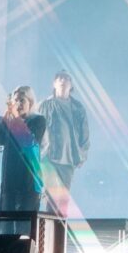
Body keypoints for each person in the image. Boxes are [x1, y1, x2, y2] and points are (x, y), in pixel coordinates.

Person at [40, 70, 90, 202]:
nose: (62, 80)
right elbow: (37, 132)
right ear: (54, 83)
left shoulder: (78, 107)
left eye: (66, 78)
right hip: (49, 158)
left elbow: (85, 133)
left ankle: (58, 217)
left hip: (69, 160)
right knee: (51, 198)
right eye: (59, 78)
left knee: (63, 199)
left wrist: (82, 155)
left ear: (71, 84)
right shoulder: (45, 105)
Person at [0, 86, 47, 214]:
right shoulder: (11, 122)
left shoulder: (38, 120)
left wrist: (15, 117)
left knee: (25, 223)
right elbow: (0, 137)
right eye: (16, 100)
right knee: (6, 222)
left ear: (30, 102)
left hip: (29, 182)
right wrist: (7, 114)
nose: (18, 104)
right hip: (9, 182)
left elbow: (27, 140)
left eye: (22, 100)